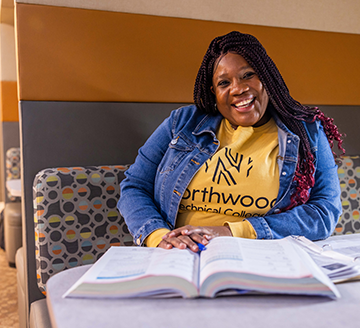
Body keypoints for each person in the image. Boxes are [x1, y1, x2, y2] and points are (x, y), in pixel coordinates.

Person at [118, 31, 344, 253]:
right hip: (179, 256)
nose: (238, 88)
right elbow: (135, 186)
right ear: (214, 92)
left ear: (267, 77)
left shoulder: (306, 132)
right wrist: (161, 239)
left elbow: (324, 212)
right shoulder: (182, 123)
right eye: (224, 83)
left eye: (248, 75)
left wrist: (227, 232)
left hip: (262, 255)